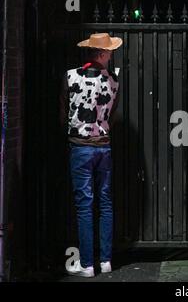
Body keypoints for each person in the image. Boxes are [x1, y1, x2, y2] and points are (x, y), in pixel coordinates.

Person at [60, 33, 123, 277]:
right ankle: (106, 260)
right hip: (103, 146)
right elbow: (112, 116)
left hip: (80, 146)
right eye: (109, 51)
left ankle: (87, 264)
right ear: (103, 54)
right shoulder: (113, 80)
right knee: (105, 202)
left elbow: (62, 111)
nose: (111, 55)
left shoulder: (70, 76)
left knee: (84, 206)